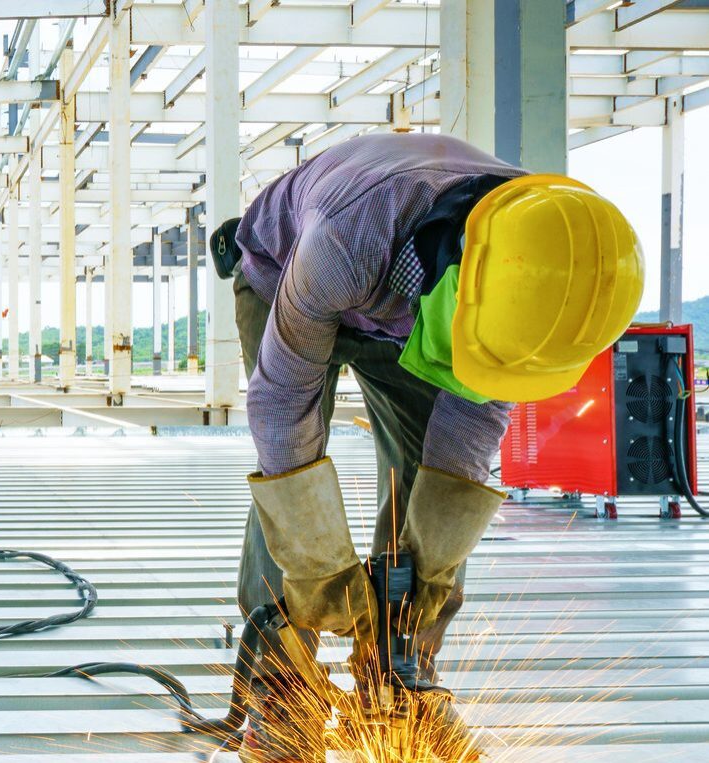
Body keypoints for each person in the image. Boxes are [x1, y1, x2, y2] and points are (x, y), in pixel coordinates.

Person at [209, 132, 644, 763]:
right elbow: (283, 409)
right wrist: (319, 565)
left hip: (423, 305)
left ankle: (400, 673)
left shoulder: (537, 290)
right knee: (290, 488)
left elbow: (461, 445)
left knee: (424, 483)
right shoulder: (348, 235)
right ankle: (284, 687)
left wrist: (429, 575)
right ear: (456, 281)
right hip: (287, 282)